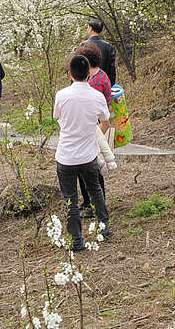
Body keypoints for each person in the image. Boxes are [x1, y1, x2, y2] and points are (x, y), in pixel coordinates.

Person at [54, 54, 113, 251]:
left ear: (70, 74)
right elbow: (105, 118)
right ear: (89, 73)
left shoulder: (61, 95)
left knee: (70, 198)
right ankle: (104, 228)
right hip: (88, 155)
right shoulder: (96, 96)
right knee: (95, 190)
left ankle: (77, 241)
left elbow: (58, 117)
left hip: (66, 156)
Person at [73, 43, 111, 218]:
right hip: (93, 130)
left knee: (91, 173)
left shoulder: (95, 82)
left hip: (92, 131)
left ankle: (94, 204)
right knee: (88, 171)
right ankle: (90, 202)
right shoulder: (102, 76)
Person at [82, 19, 118, 85]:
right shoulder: (108, 46)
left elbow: (77, 68)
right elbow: (112, 70)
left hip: (86, 86)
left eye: (87, 27)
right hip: (103, 85)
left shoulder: (83, 45)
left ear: (90, 28)